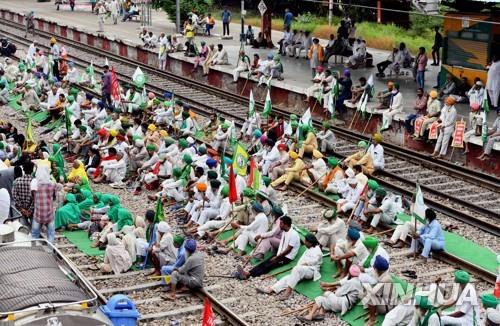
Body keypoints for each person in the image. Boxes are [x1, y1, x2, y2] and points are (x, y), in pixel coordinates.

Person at [257, 233, 322, 300]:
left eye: (306, 241)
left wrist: (303, 265)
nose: (305, 243)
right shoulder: (309, 248)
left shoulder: (317, 250)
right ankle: (271, 289)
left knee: (296, 269)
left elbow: (314, 261)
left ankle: (287, 293)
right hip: (301, 270)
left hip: (311, 271)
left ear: (310, 243)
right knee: (286, 278)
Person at [235, 215, 300, 280]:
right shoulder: (285, 232)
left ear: (286, 224)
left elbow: (288, 250)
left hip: (287, 257)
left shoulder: (293, 234)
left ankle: (249, 275)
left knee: (270, 265)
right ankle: (248, 273)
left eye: (281, 224)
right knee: (265, 263)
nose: (279, 225)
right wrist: (277, 255)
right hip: (281, 254)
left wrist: (277, 257)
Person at [299, 265, 363, 321]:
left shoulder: (351, 282)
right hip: (346, 304)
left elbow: (338, 293)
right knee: (325, 299)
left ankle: (310, 316)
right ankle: (321, 313)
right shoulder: (357, 279)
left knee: (322, 297)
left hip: (341, 303)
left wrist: (329, 289)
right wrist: (328, 285)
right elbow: (341, 282)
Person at [31, 165, 58, 243]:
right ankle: (50, 251)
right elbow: (56, 193)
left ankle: (34, 250)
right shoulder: (52, 184)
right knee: (51, 234)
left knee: (34, 235)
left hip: (38, 214)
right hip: (49, 214)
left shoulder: (34, 184)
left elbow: (32, 196)